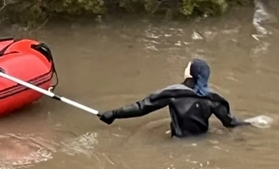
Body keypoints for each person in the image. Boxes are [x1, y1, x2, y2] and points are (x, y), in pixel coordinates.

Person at [97, 58, 250, 137]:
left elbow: (141, 108)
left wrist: (114, 114)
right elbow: (230, 123)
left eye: (187, 66)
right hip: (203, 140)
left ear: (190, 74)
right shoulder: (213, 99)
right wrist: (253, 123)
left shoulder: (173, 93)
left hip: (179, 142)